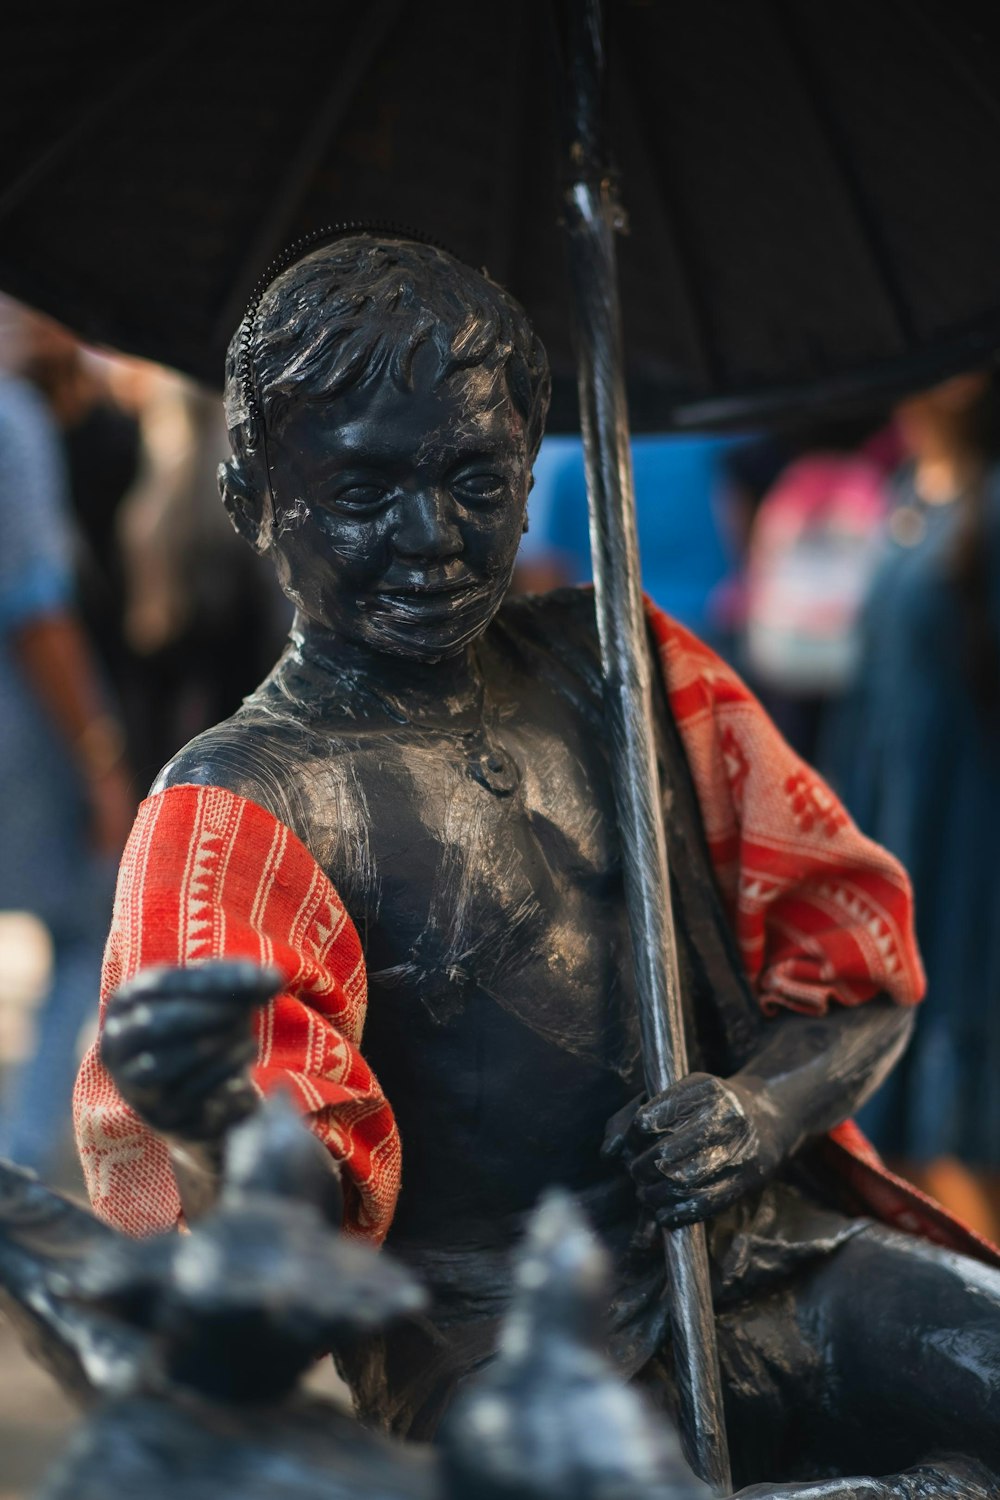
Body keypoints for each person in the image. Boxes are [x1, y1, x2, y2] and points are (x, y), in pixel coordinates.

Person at [74, 237, 1000, 1496]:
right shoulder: (240, 807)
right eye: (359, 494)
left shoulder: (631, 672)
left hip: (770, 1254)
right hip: (490, 1346)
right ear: (251, 499)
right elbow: (273, 1196)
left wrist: (760, 1109)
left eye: (476, 479)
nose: (430, 537)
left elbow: (863, 980)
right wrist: (218, 1118)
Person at [829, 371, 1000, 1240]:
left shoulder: (990, 503)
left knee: (963, 1019)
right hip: (890, 793)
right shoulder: (904, 490)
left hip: (969, 808)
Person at [0, 372, 133, 1173]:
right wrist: (100, 755)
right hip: (23, 730)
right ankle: (17, 1161)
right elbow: (37, 611)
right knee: (93, 918)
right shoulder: (10, 422)